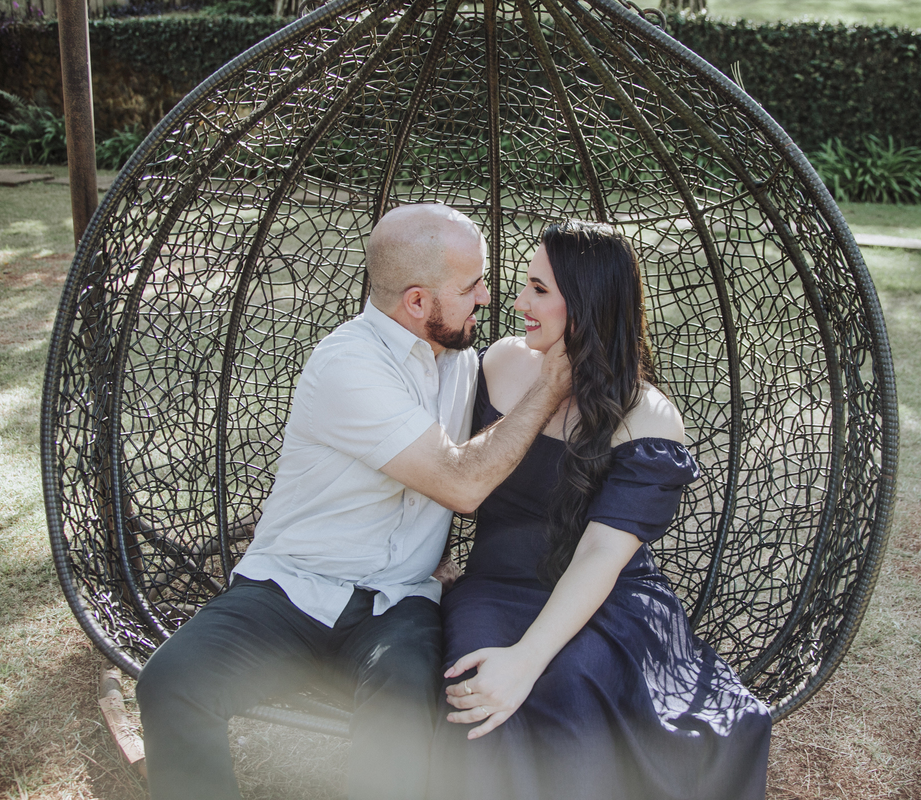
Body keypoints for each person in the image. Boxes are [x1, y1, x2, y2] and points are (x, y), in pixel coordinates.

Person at [135, 203, 571, 800]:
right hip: (291, 590)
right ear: (417, 302)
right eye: (471, 286)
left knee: (404, 710)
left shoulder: (463, 362)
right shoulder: (348, 365)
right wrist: (548, 388)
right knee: (170, 683)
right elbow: (462, 484)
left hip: (397, 603)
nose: (486, 298)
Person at [426, 220, 772, 800]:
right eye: (525, 285)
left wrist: (526, 660)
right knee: (475, 693)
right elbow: (447, 468)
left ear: (587, 302)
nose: (519, 303)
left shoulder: (648, 415)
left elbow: (601, 555)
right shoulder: (501, 363)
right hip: (495, 586)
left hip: (607, 598)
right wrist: (428, 558)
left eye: (539, 289)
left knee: (569, 683)